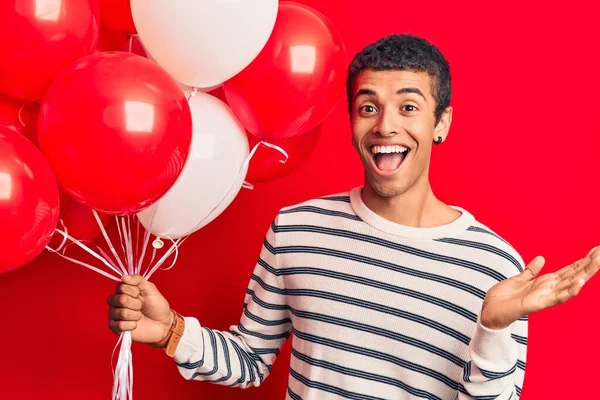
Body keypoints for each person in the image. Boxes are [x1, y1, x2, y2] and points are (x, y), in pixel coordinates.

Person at [107, 34, 599, 399]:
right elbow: (251, 360)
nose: (386, 125)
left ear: (441, 123)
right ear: (351, 122)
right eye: (369, 107)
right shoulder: (296, 230)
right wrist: (171, 331)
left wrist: (492, 329)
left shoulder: (497, 268)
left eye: (409, 107)